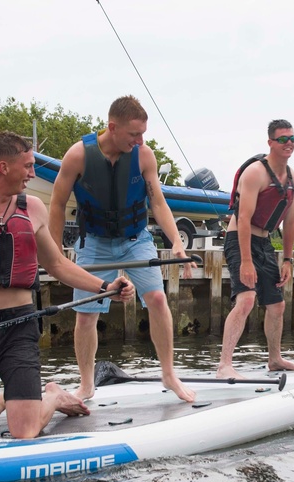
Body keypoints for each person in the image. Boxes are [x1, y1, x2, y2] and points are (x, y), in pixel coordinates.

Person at [0, 131, 135, 438]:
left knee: (25, 429)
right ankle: (12, 399)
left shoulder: (32, 209)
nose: (33, 173)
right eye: (28, 166)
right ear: (4, 167)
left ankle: (51, 397)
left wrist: (105, 286)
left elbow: (57, 264)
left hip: (19, 325)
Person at [49, 95, 195, 402]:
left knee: (157, 298)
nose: (140, 140)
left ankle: (168, 374)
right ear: (112, 127)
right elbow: (58, 204)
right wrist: (52, 248)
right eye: (134, 134)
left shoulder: (144, 156)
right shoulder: (78, 156)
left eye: (143, 133)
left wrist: (177, 244)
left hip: (136, 240)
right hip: (95, 243)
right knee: (86, 315)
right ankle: (87, 384)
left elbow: (157, 201)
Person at [216, 119, 294, 379]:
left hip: (265, 243)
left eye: (292, 138)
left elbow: (290, 221)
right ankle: (224, 365)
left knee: (276, 305)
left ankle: (275, 359)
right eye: (282, 139)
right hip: (239, 239)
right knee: (246, 300)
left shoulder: (293, 179)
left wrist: (288, 259)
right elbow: (243, 219)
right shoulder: (256, 173)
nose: (288, 143)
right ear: (270, 142)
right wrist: (246, 261)